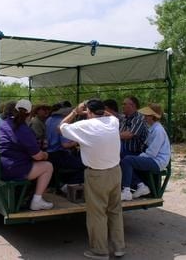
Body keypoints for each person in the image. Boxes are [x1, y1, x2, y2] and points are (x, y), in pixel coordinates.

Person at [60, 99, 125, 259]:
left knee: (97, 213)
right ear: (103, 110)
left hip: (96, 174)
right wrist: (97, 109)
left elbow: (61, 127)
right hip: (116, 171)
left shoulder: (84, 126)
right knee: (115, 211)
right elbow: (110, 115)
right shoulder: (113, 121)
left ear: (88, 111)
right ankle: (119, 248)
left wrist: (75, 111)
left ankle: (100, 250)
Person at [0, 99, 54, 211]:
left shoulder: (4, 124)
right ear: (29, 114)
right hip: (14, 168)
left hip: (1, 165)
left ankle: (31, 195)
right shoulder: (23, 129)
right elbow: (37, 156)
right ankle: (37, 201)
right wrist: (45, 155)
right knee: (48, 166)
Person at [121, 103, 171, 201]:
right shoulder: (152, 128)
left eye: (146, 115)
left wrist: (138, 157)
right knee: (123, 156)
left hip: (157, 162)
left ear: (152, 117)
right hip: (152, 158)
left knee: (127, 160)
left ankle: (126, 191)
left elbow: (152, 153)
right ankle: (140, 185)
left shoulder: (158, 130)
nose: (144, 117)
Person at [46, 102, 84, 186]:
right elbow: (65, 145)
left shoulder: (49, 120)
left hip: (50, 154)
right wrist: (79, 141)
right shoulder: (62, 122)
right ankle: (68, 184)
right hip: (60, 155)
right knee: (85, 164)